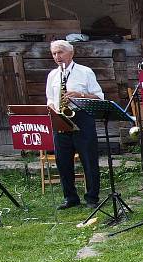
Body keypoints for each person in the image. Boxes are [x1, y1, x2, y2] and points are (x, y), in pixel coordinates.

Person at [45, 39, 104, 210]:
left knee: (88, 159)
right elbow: (49, 97)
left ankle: (92, 197)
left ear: (71, 53)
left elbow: (99, 96)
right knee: (62, 160)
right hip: (61, 118)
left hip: (81, 117)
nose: (57, 56)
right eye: (54, 53)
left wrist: (80, 95)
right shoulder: (52, 75)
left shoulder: (85, 72)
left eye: (60, 52)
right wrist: (51, 106)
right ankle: (70, 197)